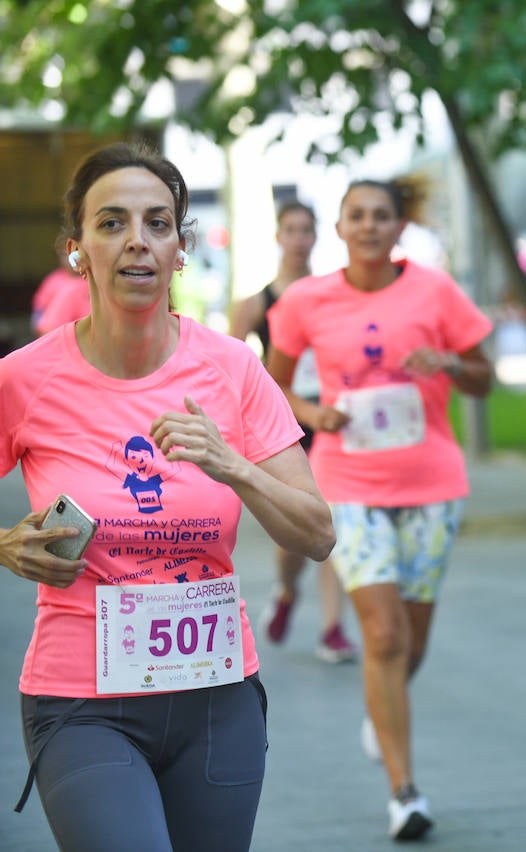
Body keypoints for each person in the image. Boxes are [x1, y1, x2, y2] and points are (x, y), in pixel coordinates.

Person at [0, 142, 335, 852]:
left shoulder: (233, 369)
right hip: (83, 702)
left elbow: (317, 533)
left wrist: (231, 464)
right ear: (77, 250)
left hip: (217, 700)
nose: (137, 242)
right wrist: (4, 544)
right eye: (112, 223)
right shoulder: (25, 380)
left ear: (181, 249)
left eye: (157, 224)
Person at [265, 178, 495, 842]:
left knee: (410, 641)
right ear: (339, 229)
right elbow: (274, 384)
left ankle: (382, 703)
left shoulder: (435, 291)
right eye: (356, 216)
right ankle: (405, 792)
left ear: (400, 228)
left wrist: (448, 361)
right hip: (349, 483)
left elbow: (480, 375)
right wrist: (314, 413)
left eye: (381, 217)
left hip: (431, 483)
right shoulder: (309, 300)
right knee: (384, 635)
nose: (369, 226)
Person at [228, 200, 356, 664]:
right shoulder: (255, 304)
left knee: (332, 522)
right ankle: (286, 590)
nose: (300, 238)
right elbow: (232, 369)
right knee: (294, 534)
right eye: (292, 230)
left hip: (330, 417)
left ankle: (332, 629)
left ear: (316, 236)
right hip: (280, 423)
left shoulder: (332, 296)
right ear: (279, 237)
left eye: (307, 230)